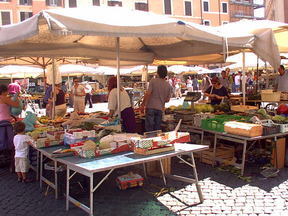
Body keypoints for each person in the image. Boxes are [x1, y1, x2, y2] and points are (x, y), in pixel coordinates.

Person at [141, 65, 171, 132]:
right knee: (157, 130)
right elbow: (167, 100)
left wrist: (143, 105)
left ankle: (149, 141)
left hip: (151, 107)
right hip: (160, 109)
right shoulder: (168, 85)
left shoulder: (153, 81)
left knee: (149, 129)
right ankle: (155, 141)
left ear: (158, 72)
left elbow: (148, 93)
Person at [0, 85, 20, 172]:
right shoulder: (4, 98)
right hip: (6, 123)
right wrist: (17, 97)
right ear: (4, 91)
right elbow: (16, 104)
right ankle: (12, 164)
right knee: (11, 144)